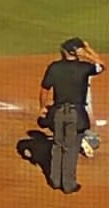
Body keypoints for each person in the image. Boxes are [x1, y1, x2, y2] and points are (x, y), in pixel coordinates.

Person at [38, 37, 105, 193]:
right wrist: (87, 51)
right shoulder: (84, 68)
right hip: (76, 114)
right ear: (76, 52)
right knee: (72, 148)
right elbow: (101, 65)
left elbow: (44, 89)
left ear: (65, 52)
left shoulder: (54, 67)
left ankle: (54, 180)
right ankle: (68, 185)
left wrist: (42, 107)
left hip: (58, 113)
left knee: (57, 145)